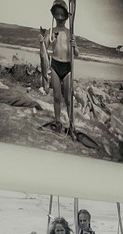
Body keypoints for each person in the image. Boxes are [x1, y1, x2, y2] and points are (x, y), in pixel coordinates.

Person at [46, 0, 76, 136]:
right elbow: (44, 45)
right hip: (55, 65)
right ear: (54, 16)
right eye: (57, 15)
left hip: (67, 66)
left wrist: (74, 45)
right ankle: (57, 122)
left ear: (66, 17)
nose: (59, 19)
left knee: (68, 98)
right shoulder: (51, 31)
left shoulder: (70, 33)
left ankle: (71, 124)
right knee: (57, 97)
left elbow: (77, 53)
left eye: (62, 16)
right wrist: (43, 39)